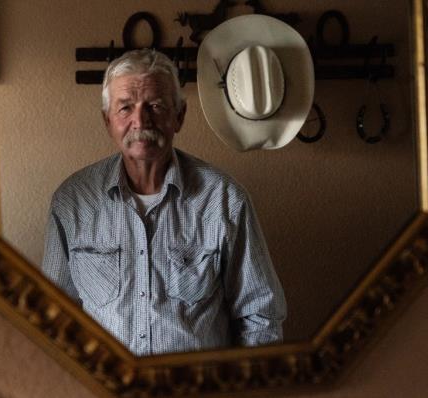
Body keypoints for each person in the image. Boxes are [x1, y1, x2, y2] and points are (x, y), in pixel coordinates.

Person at [42, 48, 286, 356]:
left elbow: (260, 320)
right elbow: (53, 318)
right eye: (125, 108)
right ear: (107, 121)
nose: (140, 120)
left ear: (179, 116)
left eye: (155, 106)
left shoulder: (224, 200)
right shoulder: (72, 202)